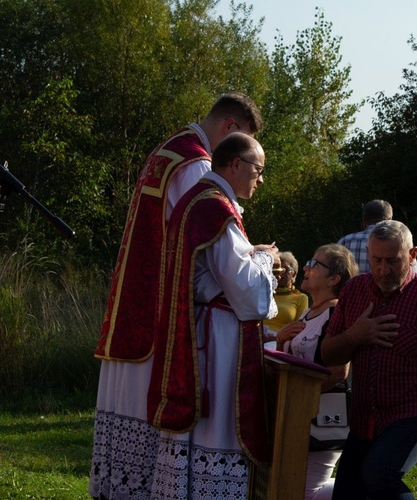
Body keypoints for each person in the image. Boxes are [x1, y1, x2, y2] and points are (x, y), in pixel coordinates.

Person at [89, 93, 262, 499]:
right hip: (164, 310)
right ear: (230, 129)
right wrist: (252, 257)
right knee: (156, 454)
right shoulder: (198, 166)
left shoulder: (168, 149)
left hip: (137, 294)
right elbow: (197, 241)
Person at [146, 132, 279, 497]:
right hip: (216, 340)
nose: (261, 178)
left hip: (199, 331)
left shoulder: (195, 200)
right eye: (258, 168)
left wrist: (249, 254)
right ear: (236, 164)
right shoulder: (216, 207)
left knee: (195, 446)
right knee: (216, 431)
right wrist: (266, 258)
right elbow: (247, 294)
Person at [321, 220, 417, 499]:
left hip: (416, 410)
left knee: (379, 474)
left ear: (412, 255)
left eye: (392, 261)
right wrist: (355, 335)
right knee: (346, 493)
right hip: (366, 415)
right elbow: (329, 354)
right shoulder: (354, 290)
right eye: (376, 260)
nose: (382, 270)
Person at [276, 244, 358, 500]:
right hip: (298, 417)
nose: (307, 268)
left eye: (315, 264)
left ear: (334, 279)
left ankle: (369, 490)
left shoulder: (335, 312)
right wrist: (280, 341)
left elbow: (337, 372)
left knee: (308, 493)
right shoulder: (310, 311)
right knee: (288, 487)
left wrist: (299, 396)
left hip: (323, 417)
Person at [338, 199, 417, 274]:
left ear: (363, 222)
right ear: (390, 220)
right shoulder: (400, 241)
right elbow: (414, 274)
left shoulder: (345, 242)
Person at [263, 251, 309, 349]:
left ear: (293, 274)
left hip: (278, 342)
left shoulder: (300, 298)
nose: (280, 273)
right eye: (277, 269)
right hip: (256, 336)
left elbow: (299, 328)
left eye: (285, 269)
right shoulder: (264, 292)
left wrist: (277, 338)